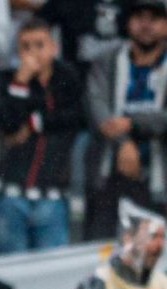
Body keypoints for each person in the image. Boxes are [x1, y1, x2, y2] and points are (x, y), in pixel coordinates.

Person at [0, 17, 85, 253]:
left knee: (50, 277)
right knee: (11, 273)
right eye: (25, 46)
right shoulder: (8, 79)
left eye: (39, 45)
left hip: (52, 197)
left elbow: (75, 116)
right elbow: (9, 124)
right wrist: (21, 82)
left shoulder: (68, 78)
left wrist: (34, 123)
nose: (33, 52)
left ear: (54, 47)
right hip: (11, 196)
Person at [85, 0, 167, 241]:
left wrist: (132, 122)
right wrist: (124, 143)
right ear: (128, 23)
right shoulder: (107, 60)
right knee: (100, 253)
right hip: (109, 174)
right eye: (139, 17)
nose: (146, 25)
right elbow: (96, 104)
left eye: (154, 18)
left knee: (155, 260)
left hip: (158, 178)